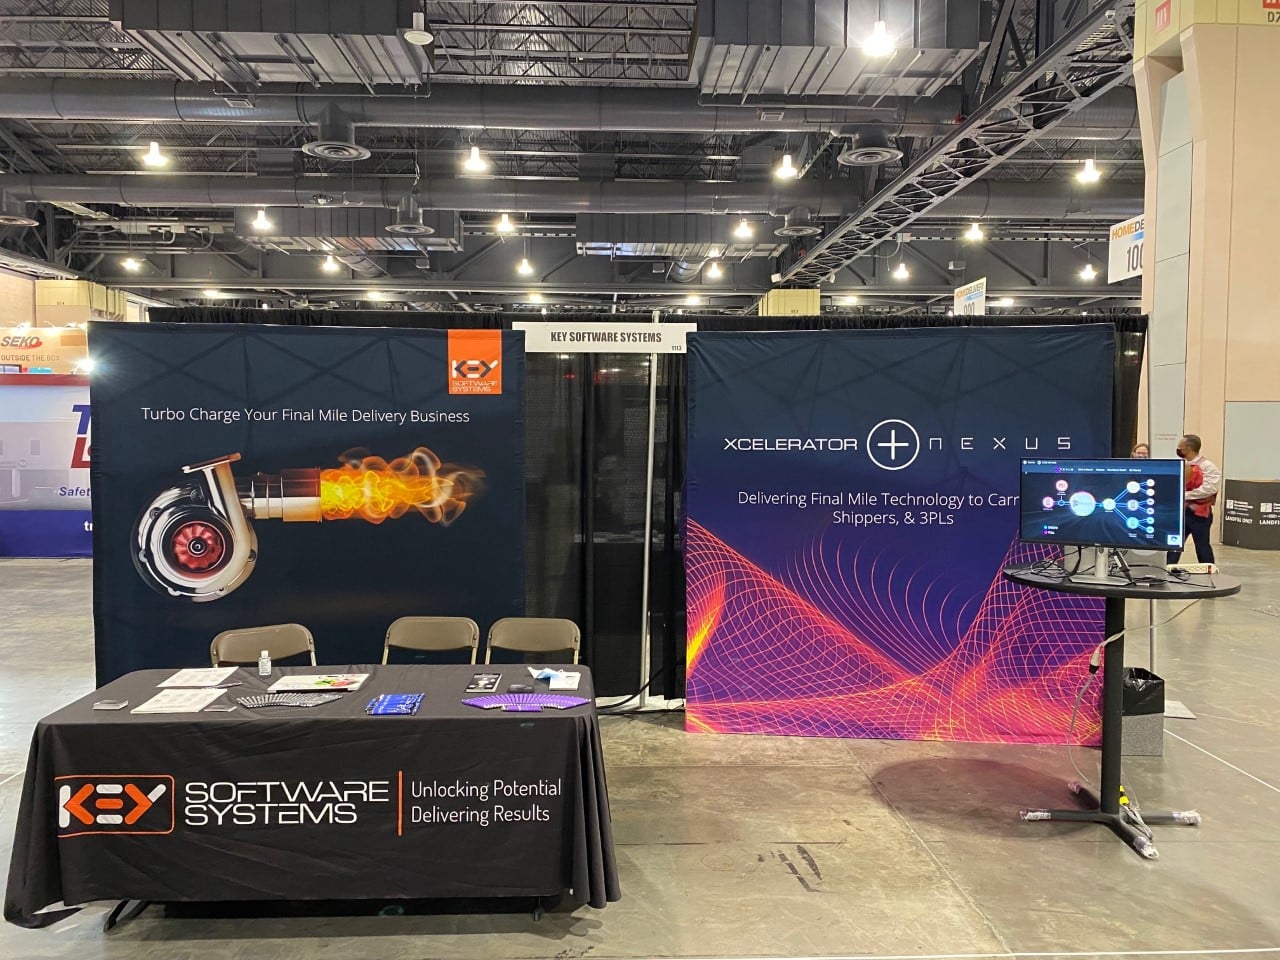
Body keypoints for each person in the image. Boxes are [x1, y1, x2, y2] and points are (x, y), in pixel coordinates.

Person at [1167, 433, 1219, 565]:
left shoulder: (1207, 466)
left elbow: (1210, 489)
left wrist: (1184, 495)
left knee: (1202, 546)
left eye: (1180, 446)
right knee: (1174, 545)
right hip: (1181, 512)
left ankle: (1208, 570)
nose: (1178, 449)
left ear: (1188, 448)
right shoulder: (1181, 464)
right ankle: (1168, 568)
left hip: (1200, 514)